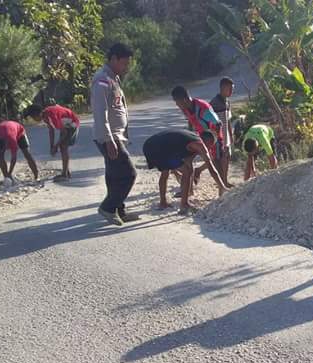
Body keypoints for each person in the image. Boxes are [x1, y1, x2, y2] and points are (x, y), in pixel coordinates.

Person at [91, 43, 139, 226]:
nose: (126, 67)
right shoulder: (102, 80)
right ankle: (108, 207)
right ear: (113, 59)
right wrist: (109, 139)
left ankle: (119, 210)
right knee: (129, 173)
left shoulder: (113, 78)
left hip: (116, 135)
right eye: (124, 63)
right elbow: (100, 112)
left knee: (114, 174)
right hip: (109, 136)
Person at [143, 129, 228, 213]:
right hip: (158, 148)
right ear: (208, 142)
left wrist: (189, 190)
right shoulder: (200, 145)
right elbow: (211, 169)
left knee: (166, 171)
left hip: (149, 146)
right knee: (186, 171)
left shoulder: (191, 139)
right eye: (211, 145)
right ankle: (184, 204)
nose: (209, 149)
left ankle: (163, 203)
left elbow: (189, 163)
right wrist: (222, 186)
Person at [171, 85, 223, 185]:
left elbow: (218, 123)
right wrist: (189, 134)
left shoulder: (203, 108)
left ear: (184, 99)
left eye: (177, 102)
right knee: (187, 158)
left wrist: (214, 141)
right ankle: (189, 187)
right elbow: (190, 120)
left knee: (216, 160)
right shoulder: (185, 108)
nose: (177, 105)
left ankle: (222, 185)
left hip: (213, 136)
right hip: (199, 136)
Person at [23, 103, 80, 181]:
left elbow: (64, 133)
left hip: (72, 124)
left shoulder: (52, 115)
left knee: (63, 146)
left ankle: (64, 174)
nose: (34, 119)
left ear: (39, 113)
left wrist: (56, 146)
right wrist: (52, 146)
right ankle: (66, 171)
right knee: (62, 145)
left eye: (34, 117)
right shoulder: (46, 115)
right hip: (66, 125)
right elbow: (51, 130)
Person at [210, 77, 235, 187]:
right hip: (218, 137)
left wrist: (231, 134)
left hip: (226, 137)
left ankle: (224, 180)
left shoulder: (227, 102)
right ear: (222, 88)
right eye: (229, 89)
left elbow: (228, 120)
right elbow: (209, 122)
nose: (231, 92)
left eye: (232, 89)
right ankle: (222, 182)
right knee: (220, 159)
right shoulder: (214, 103)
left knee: (227, 158)